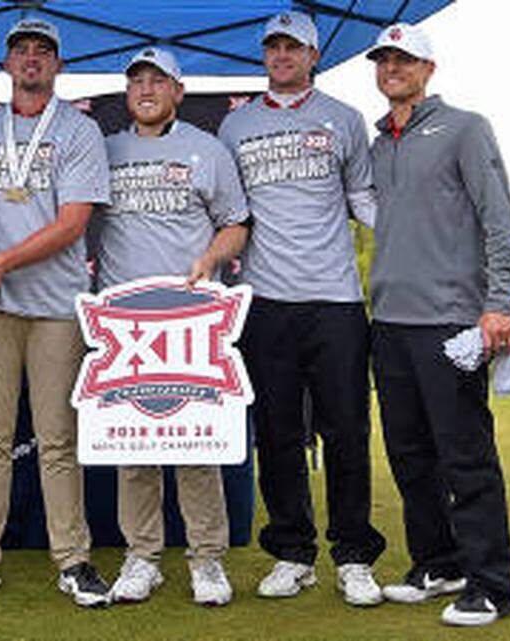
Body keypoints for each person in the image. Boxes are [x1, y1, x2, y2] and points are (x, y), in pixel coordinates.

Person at [0, 18, 112, 608]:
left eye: (43, 51)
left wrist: (1, 261)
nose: (32, 59)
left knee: (58, 438)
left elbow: (74, 222)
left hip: (55, 306)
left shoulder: (80, 130)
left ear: (59, 64)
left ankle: (74, 560)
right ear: (6, 63)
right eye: (21, 51)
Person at [216, 11, 386, 606]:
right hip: (265, 302)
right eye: (274, 47)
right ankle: (292, 552)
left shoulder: (344, 118)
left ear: (314, 56)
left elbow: (365, 197)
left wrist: (418, 238)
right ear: (264, 56)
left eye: (294, 47)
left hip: (337, 299)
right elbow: (227, 213)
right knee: (278, 432)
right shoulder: (235, 127)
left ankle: (354, 554)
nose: (283, 55)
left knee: (347, 430)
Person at [366, 23, 510, 627]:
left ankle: (491, 584)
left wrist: (499, 303)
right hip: (392, 323)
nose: (391, 69)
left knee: (465, 456)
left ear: (428, 70)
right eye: (384, 61)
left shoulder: (465, 128)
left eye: (404, 60)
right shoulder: (381, 144)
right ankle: (439, 562)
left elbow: (499, 221)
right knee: (409, 454)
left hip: (451, 321)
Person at [95, 46, 250, 607]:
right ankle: (142, 558)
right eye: (136, 80)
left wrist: (209, 261)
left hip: (190, 316)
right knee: (134, 447)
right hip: (125, 321)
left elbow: (236, 223)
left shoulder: (207, 150)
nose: (146, 89)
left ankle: (206, 559)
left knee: (194, 444)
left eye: (158, 80)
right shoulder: (103, 150)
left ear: (178, 92)